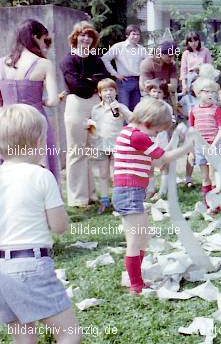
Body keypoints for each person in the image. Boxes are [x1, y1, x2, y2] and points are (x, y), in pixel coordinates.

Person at [0, 104, 81, 344]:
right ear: (38, 143)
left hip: (2, 270)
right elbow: (59, 226)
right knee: (69, 334)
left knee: (23, 340)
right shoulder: (40, 176)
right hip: (30, 265)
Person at [113, 98, 193, 294]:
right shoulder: (137, 136)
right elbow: (162, 159)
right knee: (136, 239)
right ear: (148, 123)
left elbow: (157, 163)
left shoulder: (132, 133)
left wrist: (174, 141)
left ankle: (136, 277)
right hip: (129, 193)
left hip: (131, 193)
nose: (156, 136)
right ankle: (135, 284)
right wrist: (185, 149)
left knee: (143, 236)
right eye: (157, 131)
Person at [0, 19, 61, 184]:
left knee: (8, 166)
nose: (44, 43)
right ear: (35, 37)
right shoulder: (44, 64)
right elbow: (54, 100)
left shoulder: (2, 62)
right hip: (34, 120)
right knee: (38, 165)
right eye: (43, 39)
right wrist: (39, 100)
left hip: (6, 120)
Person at [61, 21, 110, 207]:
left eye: (89, 36)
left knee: (91, 150)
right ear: (75, 37)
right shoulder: (68, 60)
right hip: (77, 105)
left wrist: (89, 80)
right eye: (82, 35)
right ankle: (77, 198)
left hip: (95, 104)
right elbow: (76, 86)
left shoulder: (96, 59)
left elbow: (106, 80)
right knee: (76, 151)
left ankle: (91, 195)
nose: (86, 39)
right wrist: (92, 81)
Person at [87, 78, 132, 214]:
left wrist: (121, 110)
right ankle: (105, 200)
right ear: (100, 94)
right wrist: (91, 132)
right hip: (100, 145)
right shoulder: (96, 109)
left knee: (116, 174)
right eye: (105, 90)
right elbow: (92, 126)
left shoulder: (120, 107)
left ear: (116, 92)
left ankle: (119, 200)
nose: (108, 93)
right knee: (103, 174)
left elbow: (132, 119)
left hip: (116, 145)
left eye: (111, 90)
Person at [190, 70, 221, 213]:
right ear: (198, 93)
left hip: (212, 146)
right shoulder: (194, 111)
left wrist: (214, 144)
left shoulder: (216, 110)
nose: (211, 94)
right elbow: (191, 131)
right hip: (200, 147)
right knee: (205, 177)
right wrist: (191, 151)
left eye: (213, 92)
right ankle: (207, 203)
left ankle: (216, 205)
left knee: (213, 175)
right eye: (207, 91)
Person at [100, 24, 147, 111]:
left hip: (138, 81)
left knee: (136, 110)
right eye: (133, 34)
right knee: (123, 108)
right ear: (127, 35)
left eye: (138, 34)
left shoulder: (142, 49)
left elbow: (148, 63)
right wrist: (115, 74)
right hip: (124, 82)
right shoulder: (118, 47)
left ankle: (132, 125)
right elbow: (105, 59)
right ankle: (123, 125)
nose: (136, 37)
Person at [139, 41, 179, 109]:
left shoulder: (172, 64)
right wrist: (163, 86)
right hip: (149, 96)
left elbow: (174, 87)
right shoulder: (147, 64)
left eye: (173, 56)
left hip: (166, 96)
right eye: (169, 56)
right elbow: (145, 87)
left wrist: (157, 85)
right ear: (160, 54)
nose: (172, 59)